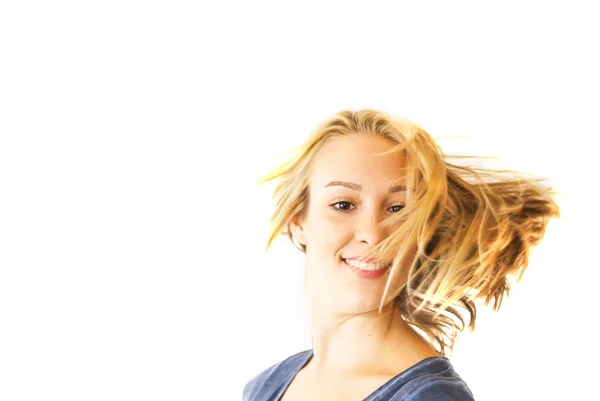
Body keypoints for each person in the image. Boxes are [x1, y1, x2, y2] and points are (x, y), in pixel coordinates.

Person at [242, 109, 560, 401]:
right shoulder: (265, 386)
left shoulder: (428, 397)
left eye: (398, 208)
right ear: (298, 220)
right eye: (343, 205)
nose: (374, 233)